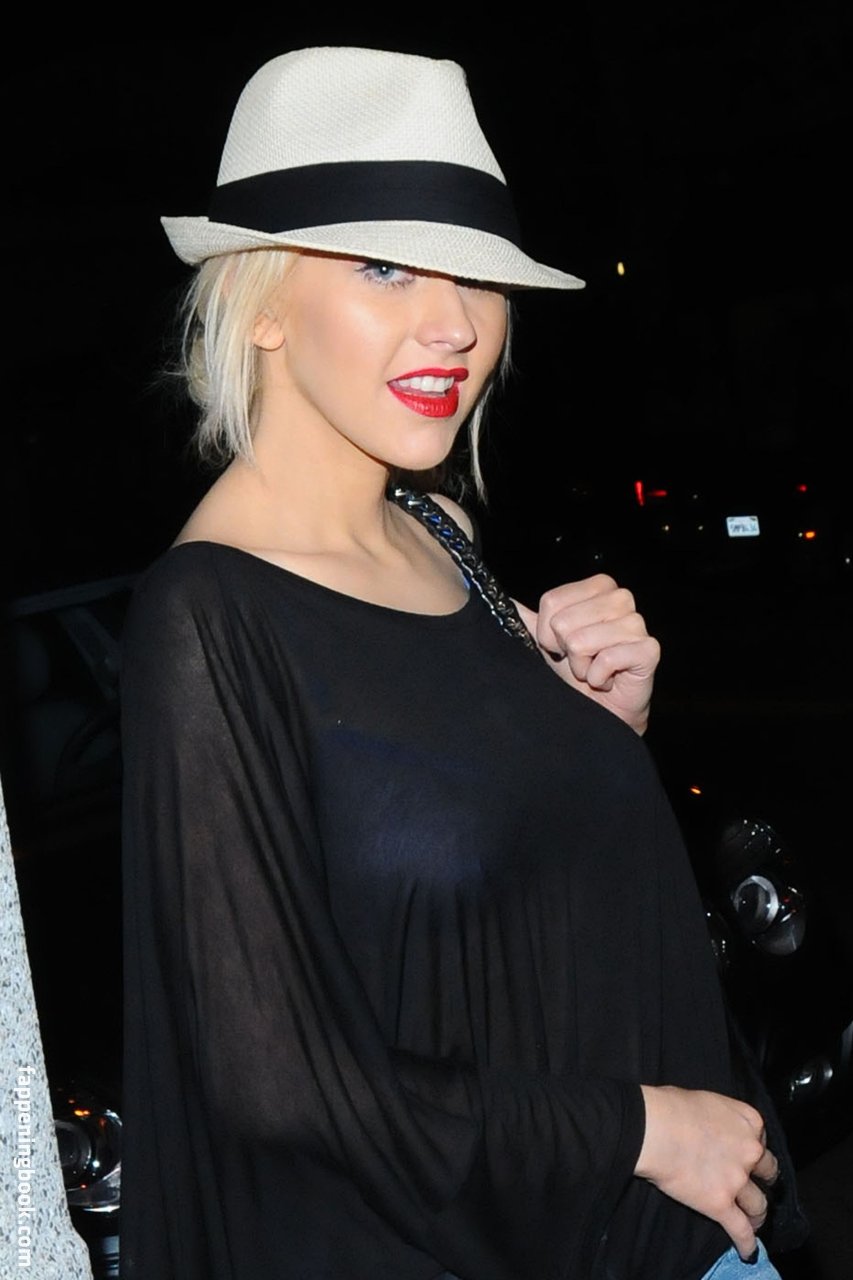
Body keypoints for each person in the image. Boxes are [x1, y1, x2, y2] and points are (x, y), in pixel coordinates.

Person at [120, 47, 805, 1280]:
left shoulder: (441, 532)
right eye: (386, 266)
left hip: (686, 1229)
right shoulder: (208, 619)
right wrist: (643, 1128)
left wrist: (597, 730)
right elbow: (276, 1080)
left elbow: (489, 896)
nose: (457, 325)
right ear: (261, 300)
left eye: (478, 276)